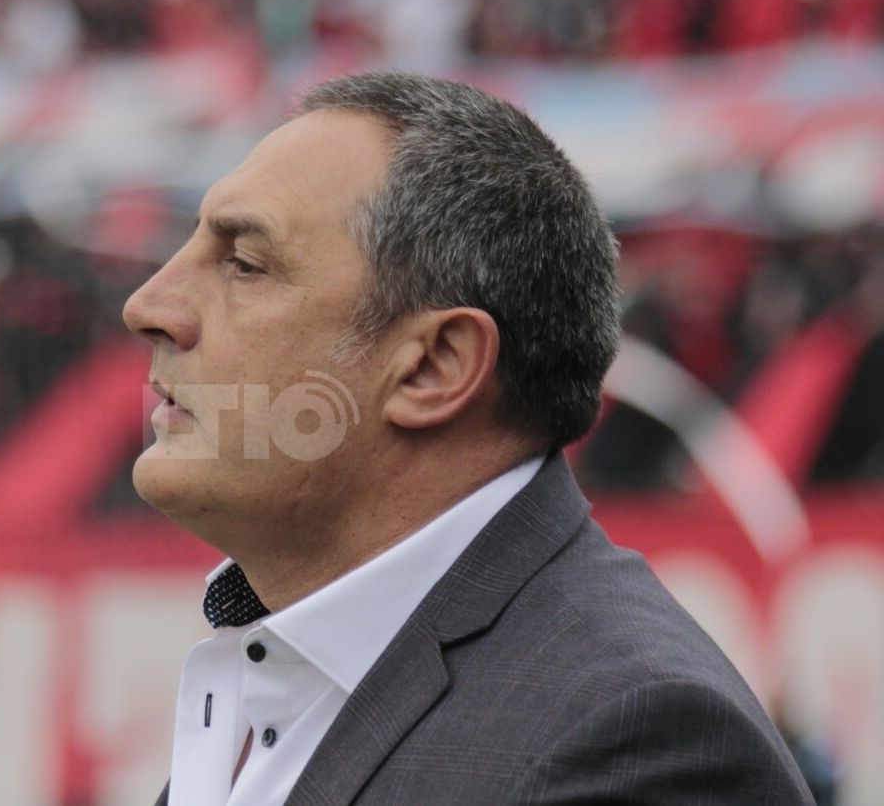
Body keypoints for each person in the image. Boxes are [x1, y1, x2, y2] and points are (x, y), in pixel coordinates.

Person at [122, 72, 813, 805]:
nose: (147, 306)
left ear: (433, 367)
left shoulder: (633, 740)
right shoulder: (285, 680)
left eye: (244, 264)